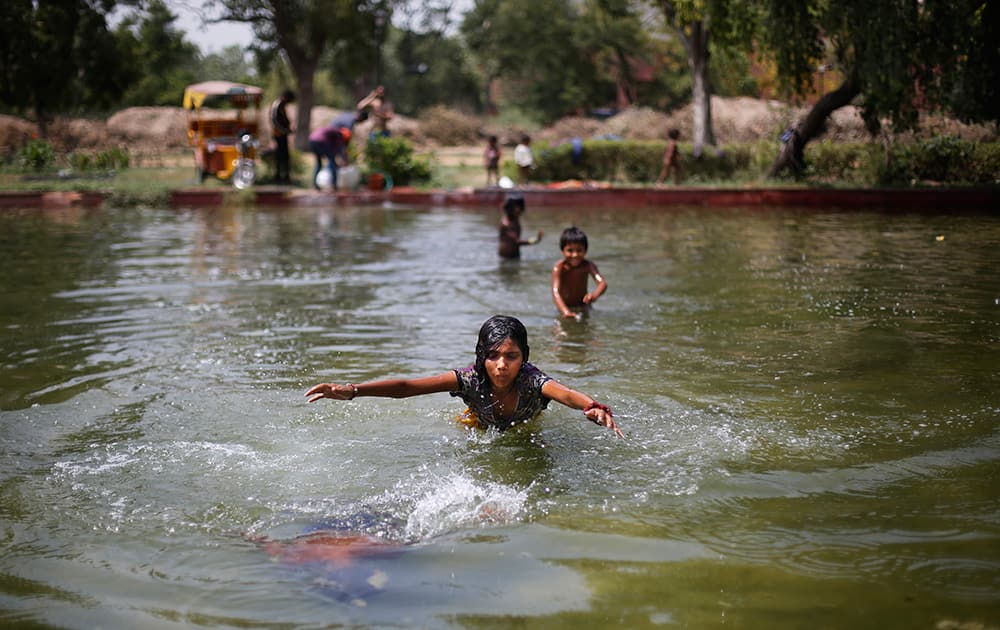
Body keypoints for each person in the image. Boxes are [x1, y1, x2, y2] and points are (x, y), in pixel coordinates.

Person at [306, 315, 623, 436]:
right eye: (493, 356)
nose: (501, 365)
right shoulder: (469, 378)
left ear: (524, 357)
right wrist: (353, 390)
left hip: (525, 426)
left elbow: (565, 393)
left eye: (511, 357)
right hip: (479, 421)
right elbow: (408, 388)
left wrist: (592, 406)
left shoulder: (532, 380)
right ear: (481, 357)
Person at [551, 226, 607, 319]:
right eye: (570, 250)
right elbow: (555, 292)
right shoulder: (559, 268)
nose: (575, 255)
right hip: (564, 308)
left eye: (579, 250)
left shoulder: (588, 265)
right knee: (560, 332)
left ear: (585, 250)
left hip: (583, 307)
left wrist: (593, 296)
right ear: (562, 250)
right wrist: (565, 311)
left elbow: (603, 283)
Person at [497, 192, 543, 259]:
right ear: (509, 208)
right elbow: (517, 241)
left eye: (519, 206)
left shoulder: (515, 219)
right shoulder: (506, 224)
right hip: (506, 258)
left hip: (515, 255)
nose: (517, 209)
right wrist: (535, 240)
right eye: (515, 207)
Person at [309, 125, 350, 191]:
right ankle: (334, 185)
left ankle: (315, 186)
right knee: (332, 162)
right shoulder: (339, 134)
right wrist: (345, 159)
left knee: (319, 164)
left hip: (312, 139)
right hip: (321, 141)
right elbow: (341, 148)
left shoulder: (333, 131)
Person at [270, 89, 295, 184]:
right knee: (280, 156)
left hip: (283, 135)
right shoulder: (277, 105)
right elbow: (274, 120)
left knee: (285, 157)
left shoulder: (282, 106)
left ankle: (285, 176)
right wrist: (284, 130)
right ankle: (278, 176)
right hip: (279, 135)